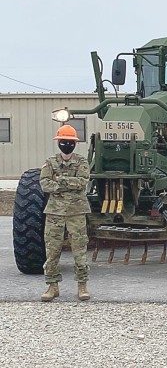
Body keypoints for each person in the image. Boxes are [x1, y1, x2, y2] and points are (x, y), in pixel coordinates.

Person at [39, 124, 92, 302]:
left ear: (74, 143)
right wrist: (70, 182)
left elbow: (83, 182)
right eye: (64, 142)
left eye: (69, 142)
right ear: (58, 142)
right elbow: (45, 184)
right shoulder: (50, 162)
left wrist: (59, 180)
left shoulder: (82, 162)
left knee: (79, 249)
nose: (66, 145)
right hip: (55, 213)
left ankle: (82, 286)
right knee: (52, 250)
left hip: (76, 212)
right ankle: (52, 286)